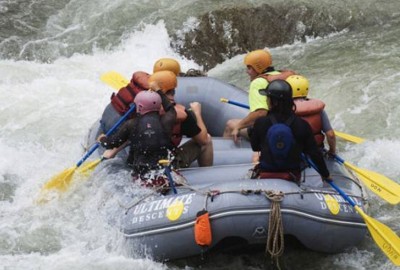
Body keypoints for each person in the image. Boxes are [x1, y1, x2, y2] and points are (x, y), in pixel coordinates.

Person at [99, 72, 177, 180]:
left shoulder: (131, 124)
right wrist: (158, 90)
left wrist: (102, 139)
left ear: (139, 106)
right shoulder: (167, 120)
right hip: (164, 172)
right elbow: (170, 108)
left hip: (141, 176)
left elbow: (112, 143)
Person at [250, 79, 331, 182]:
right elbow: (314, 153)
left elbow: (255, 147)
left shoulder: (260, 123)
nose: (266, 100)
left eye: (268, 98)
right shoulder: (302, 125)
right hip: (292, 176)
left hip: (266, 173)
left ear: (273, 101)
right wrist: (326, 174)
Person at [223, 49, 296, 142]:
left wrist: (238, 126)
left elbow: (261, 113)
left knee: (230, 124)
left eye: (249, 68)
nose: (247, 71)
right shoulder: (281, 75)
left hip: (271, 129)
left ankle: (229, 155)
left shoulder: (258, 82)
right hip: (291, 124)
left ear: (258, 68)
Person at [286, 75, 336, 156]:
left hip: (295, 155)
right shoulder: (318, 110)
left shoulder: (284, 111)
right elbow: (330, 135)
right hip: (317, 150)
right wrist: (332, 151)